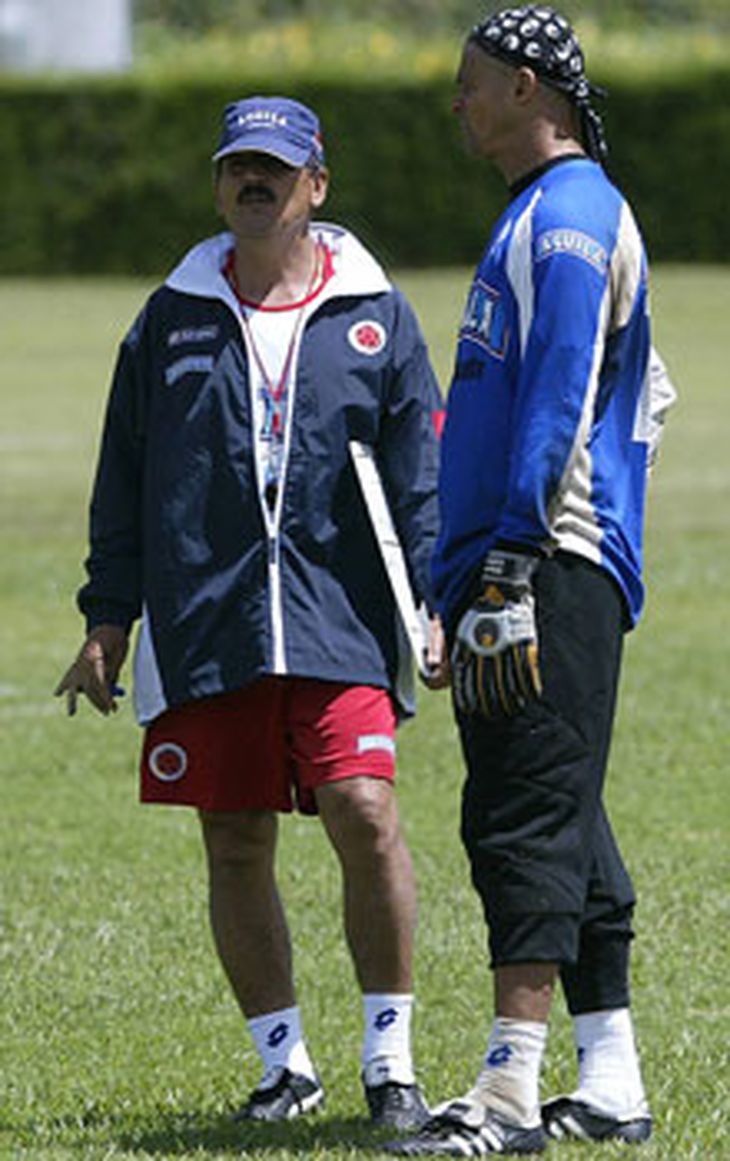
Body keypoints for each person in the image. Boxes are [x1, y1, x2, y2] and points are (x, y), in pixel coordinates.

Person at [55, 95, 449, 1130]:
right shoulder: (169, 317)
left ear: (318, 184)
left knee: (363, 814)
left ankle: (390, 1062)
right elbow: (123, 476)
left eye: (276, 167)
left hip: (341, 615)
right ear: (219, 182)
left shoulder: (375, 311)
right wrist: (109, 617)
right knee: (233, 839)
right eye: (237, 166)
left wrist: (437, 598)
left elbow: (420, 475)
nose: (254, 181)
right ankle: (284, 1068)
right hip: (209, 618)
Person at [390, 7, 676, 1157]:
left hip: (544, 561)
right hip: (531, 558)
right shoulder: (542, 212)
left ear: (524, 87)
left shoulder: (567, 214)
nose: (455, 104)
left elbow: (566, 386)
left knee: (519, 817)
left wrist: (508, 554)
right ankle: (607, 1080)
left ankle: (507, 1093)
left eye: (469, 85)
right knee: (566, 820)